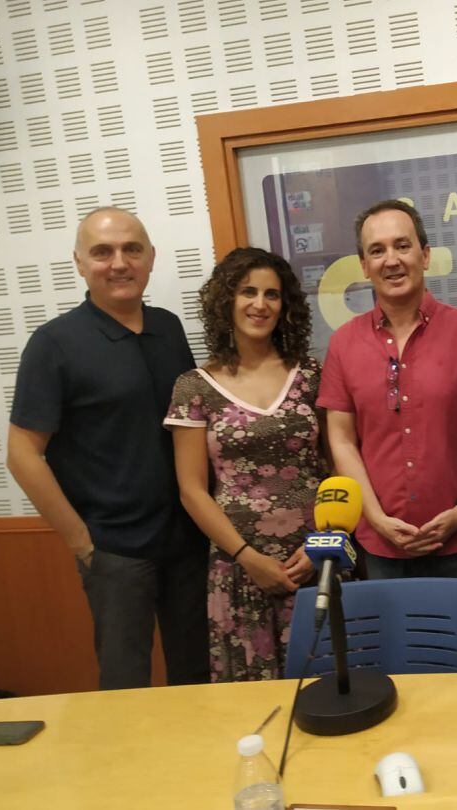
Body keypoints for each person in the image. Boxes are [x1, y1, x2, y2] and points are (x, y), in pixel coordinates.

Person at [6, 207, 208, 690]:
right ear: (79, 263)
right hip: (115, 552)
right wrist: (82, 542)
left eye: (131, 249)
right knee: (125, 687)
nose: (119, 263)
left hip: (187, 542)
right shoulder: (54, 344)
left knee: (199, 676)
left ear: (151, 258)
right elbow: (21, 454)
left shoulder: (169, 328)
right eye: (102, 252)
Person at [317, 200, 457, 663]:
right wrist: (375, 519)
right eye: (377, 250)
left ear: (426, 254)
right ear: (362, 266)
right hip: (381, 546)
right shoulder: (343, 343)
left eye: (402, 245)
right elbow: (341, 438)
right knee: (397, 671)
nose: (391, 259)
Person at [165, 247, 326, 681]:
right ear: (225, 300)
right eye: (247, 292)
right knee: (252, 704)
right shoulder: (193, 387)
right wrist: (247, 557)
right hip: (240, 573)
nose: (260, 304)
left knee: (329, 692)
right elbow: (192, 490)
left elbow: (336, 470)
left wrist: (321, 546)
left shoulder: (311, 375)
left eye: (272, 295)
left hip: (314, 564)